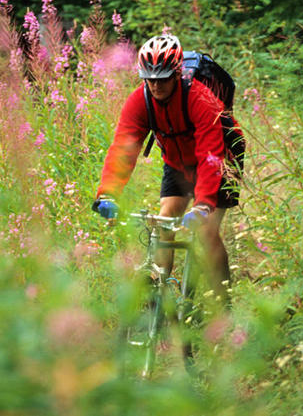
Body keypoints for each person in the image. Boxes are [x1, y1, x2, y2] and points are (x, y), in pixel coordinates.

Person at [92, 34, 244, 305]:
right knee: (164, 222)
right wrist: (107, 194)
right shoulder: (140, 101)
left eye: (162, 78)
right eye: (149, 78)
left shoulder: (200, 99)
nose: (155, 84)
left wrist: (203, 205)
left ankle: (224, 304)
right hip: (178, 164)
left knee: (207, 232)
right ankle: (163, 291)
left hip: (220, 160)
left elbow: (210, 155)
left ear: (176, 74)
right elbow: (123, 150)